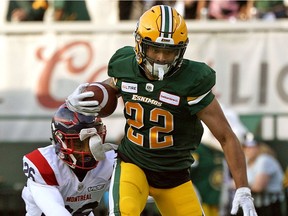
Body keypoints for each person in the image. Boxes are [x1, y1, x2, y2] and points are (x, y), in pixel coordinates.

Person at [66, 5, 257, 216]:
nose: (160, 57)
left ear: (181, 50)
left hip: (174, 176)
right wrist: (85, 95)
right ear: (139, 44)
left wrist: (243, 187)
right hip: (133, 164)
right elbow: (110, 86)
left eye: (169, 51)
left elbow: (226, 137)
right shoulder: (125, 67)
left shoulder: (192, 81)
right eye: (154, 48)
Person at [21, 103, 117, 215]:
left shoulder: (110, 160)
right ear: (59, 141)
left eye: (94, 141)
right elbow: (57, 212)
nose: (88, 150)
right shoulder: (46, 164)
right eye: (78, 143)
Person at [242, 136, 285, 216]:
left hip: (271, 206)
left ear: (259, 147)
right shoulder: (247, 161)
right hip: (256, 206)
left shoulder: (264, 159)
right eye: (246, 147)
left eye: (252, 147)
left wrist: (240, 185)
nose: (248, 150)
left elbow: (258, 187)